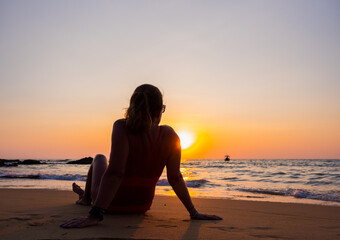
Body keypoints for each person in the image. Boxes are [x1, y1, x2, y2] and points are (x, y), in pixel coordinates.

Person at [60, 84, 222, 228]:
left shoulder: (122, 127)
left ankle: (85, 198)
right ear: (160, 110)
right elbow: (175, 178)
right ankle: (84, 196)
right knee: (104, 163)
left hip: (110, 206)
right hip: (142, 206)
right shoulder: (170, 135)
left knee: (100, 158)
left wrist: (94, 215)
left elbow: (116, 173)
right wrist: (193, 212)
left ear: (132, 108)